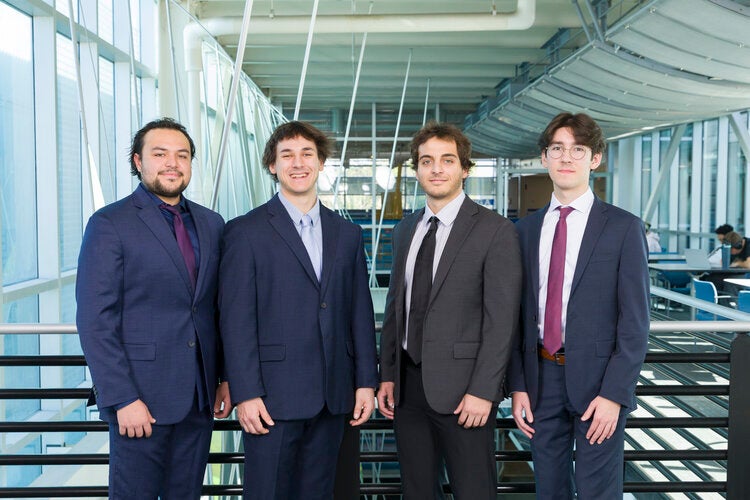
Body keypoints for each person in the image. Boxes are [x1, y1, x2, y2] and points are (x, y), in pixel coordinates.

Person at [219, 121, 379, 499]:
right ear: (272, 165)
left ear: (321, 162)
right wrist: (246, 393)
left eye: (307, 154)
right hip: (271, 399)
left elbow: (359, 314)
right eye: (287, 155)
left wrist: (365, 383)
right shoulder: (245, 231)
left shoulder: (347, 234)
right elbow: (236, 321)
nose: (298, 163)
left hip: (333, 396)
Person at [76, 118, 231, 499]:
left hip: (198, 399)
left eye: (182, 155)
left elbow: (218, 310)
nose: (172, 163)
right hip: (139, 399)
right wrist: (122, 398)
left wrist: (224, 377)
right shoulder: (110, 223)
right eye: (159, 154)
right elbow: (95, 320)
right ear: (138, 161)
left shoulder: (212, 224)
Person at [508, 112, 650, 499]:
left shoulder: (623, 227)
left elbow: (635, 322)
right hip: (540, 380)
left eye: (578, 149)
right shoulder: (523, 231)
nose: (566, 158)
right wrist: (518, 386)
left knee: (598, 491)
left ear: (595, 159)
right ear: (544, 158)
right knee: (549, 489)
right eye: (557, 149)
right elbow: (516, 318)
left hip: (600, 383)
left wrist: (616, 394)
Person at [377, 122, 522, 499]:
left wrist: (484, 392)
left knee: (474, 491)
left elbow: (502, 322)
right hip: (407, 390)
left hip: (465, 393)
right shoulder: (405, 230)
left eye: (447, 160)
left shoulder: (495, 230)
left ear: (465, 169)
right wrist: (388, 374)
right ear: (417, 170)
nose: (436, 169)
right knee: (417, 491)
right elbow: (396, 309)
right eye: (427, 161)